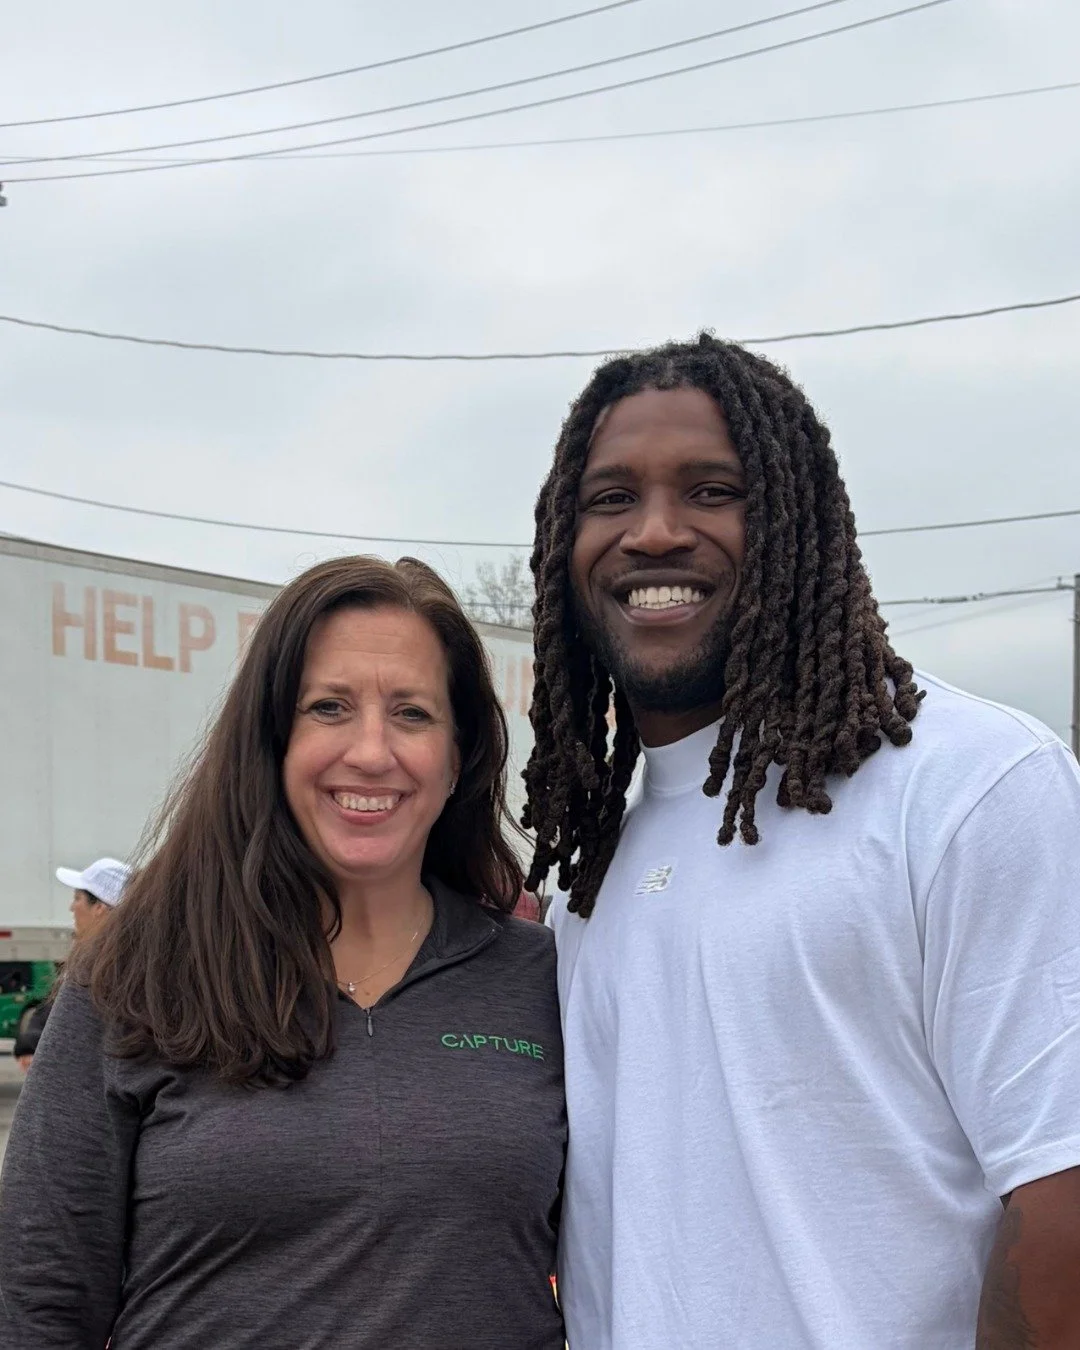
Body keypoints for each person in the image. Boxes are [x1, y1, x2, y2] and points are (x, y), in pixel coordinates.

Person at [524, 333, 1080, 1349]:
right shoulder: (587, 878)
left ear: (796, 518)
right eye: (610, 499)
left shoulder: (970, 788)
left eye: (711, 489)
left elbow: (1062, 1203)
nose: (654, 532)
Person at [0, 555, 565, 1349]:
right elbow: (40, 1300)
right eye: (329, 707)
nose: (371, 752)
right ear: (272, 739)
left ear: (459, 753)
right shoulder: (137, 978)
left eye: (412, 713)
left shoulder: (541, 978)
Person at [12, 857, 131, 1068]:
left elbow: (76, 1019)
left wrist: (34, 1040)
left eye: (77, 898)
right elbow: (58, 1006)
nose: (71, 907)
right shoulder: (97, 959)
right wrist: (32, 1039)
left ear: (99, 909)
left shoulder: (113, 967)